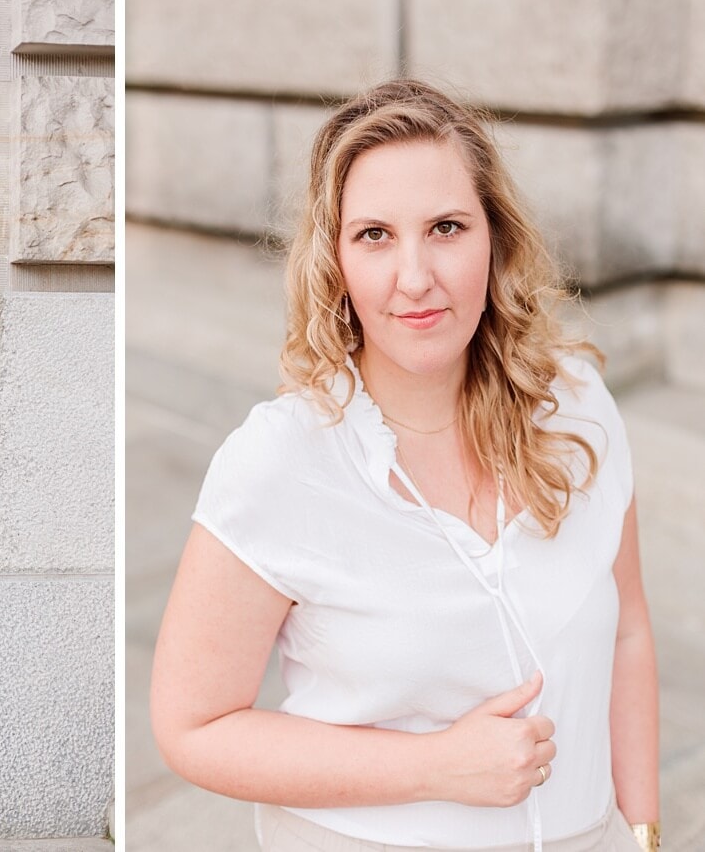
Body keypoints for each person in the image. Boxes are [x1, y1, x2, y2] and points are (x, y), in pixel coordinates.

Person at [150, 80, 660, 852]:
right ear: (336, 261)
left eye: (446, 227)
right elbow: (194, 727)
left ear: (495, 237)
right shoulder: (279, 461)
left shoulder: (580, 407)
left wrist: (644, 831)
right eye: (375, 235)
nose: (415, 277)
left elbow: (628, 634)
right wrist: (433, 766)